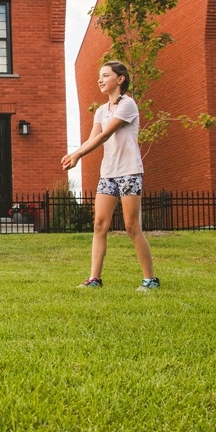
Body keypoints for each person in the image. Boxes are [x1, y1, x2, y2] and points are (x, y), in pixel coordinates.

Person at [61, 60, 158, 291]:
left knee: (131, 226)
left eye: (105, 75)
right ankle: (94, 279)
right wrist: (76, 153)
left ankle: (150, 280)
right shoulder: (102, 110)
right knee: (99, 225)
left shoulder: (128, 104)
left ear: (120, 79)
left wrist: (77, 155)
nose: (100, 80)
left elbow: (105, 136)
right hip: (108, 174)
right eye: (99, 76)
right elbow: (93, 138)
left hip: (129, 172)